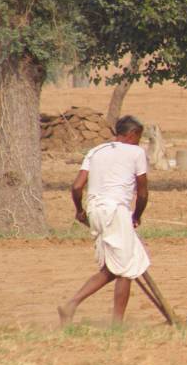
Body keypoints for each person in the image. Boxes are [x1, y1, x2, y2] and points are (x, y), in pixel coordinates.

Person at [58, 115, 150, 326]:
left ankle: (70, 306)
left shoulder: (95, 151)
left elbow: (77, 187)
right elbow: (143, 193)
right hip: (115, 210)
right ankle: (116, 324)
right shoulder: (136, 152)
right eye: (138, 137)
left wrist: (80, 211)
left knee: (113, 267)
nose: (138, 142)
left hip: (95, 211)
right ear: (132, 134)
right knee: (126, 270)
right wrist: (137, 216)